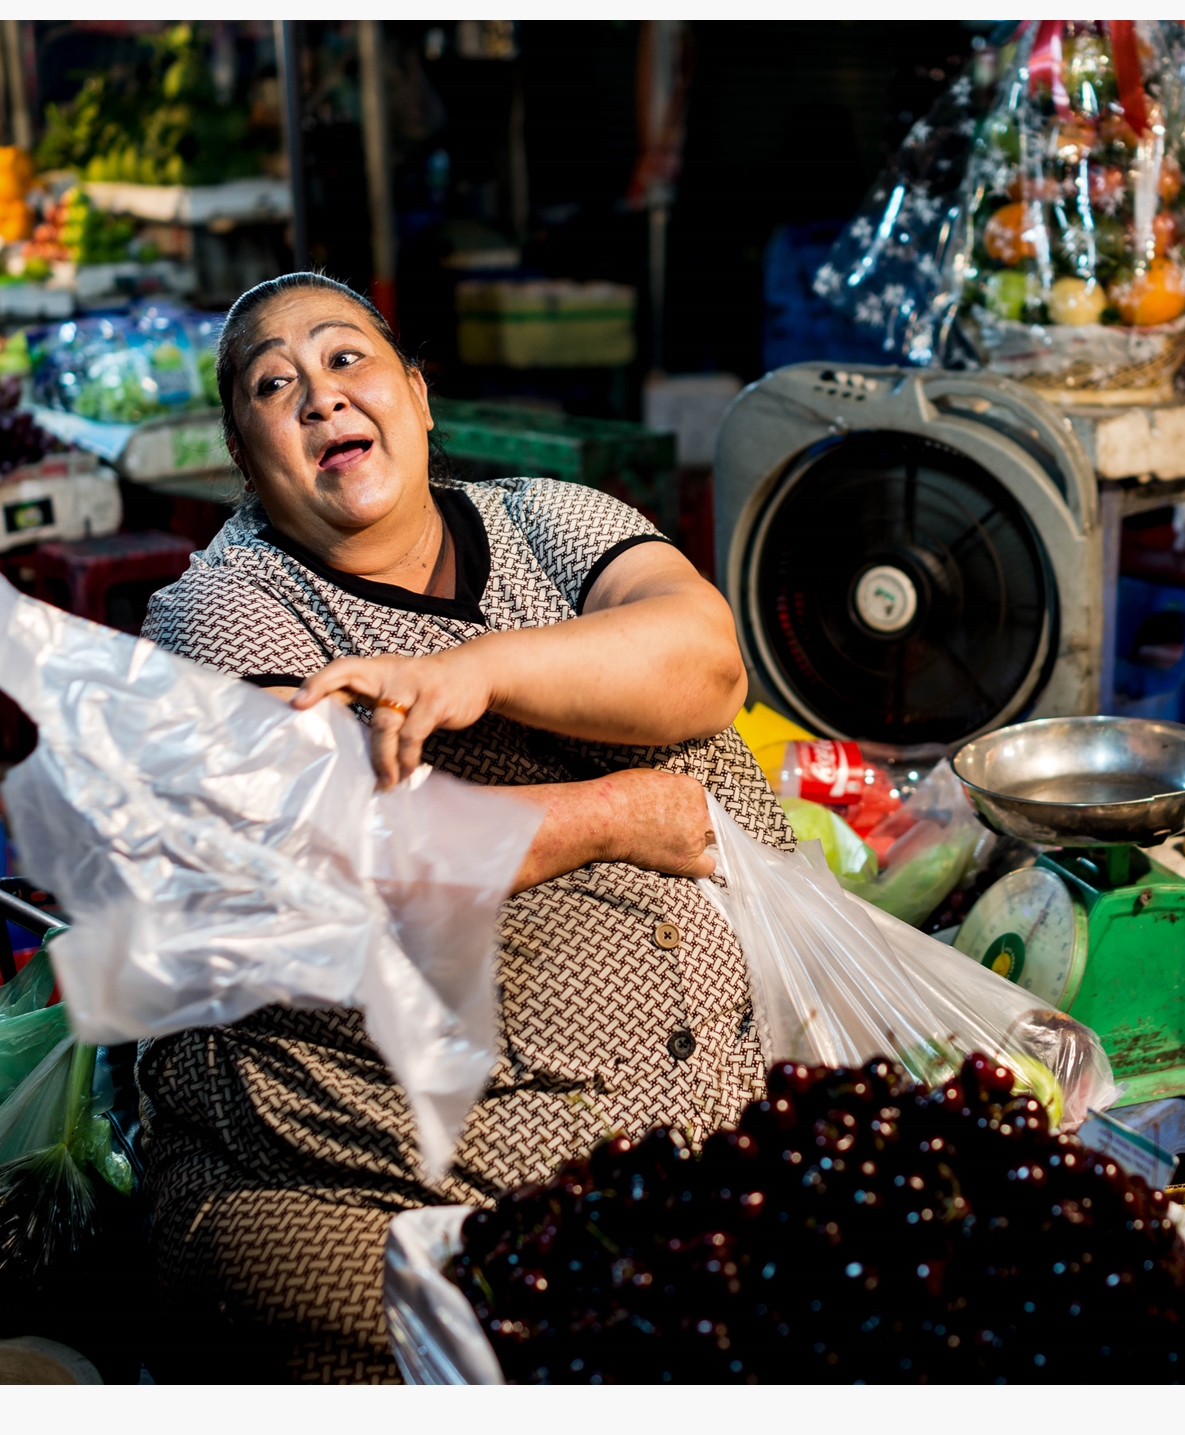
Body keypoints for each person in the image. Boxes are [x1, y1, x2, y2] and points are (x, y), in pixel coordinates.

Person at [137, 273, 790, 1382]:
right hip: (384, 1182)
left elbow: (705, 664)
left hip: (703, 1143)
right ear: (246, 464)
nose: (320, 398)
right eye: (273, 385)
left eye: (348, 361)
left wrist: (471, 675)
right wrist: (614, 813)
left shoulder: (548, 518)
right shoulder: (221, 608)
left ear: (420, 397)